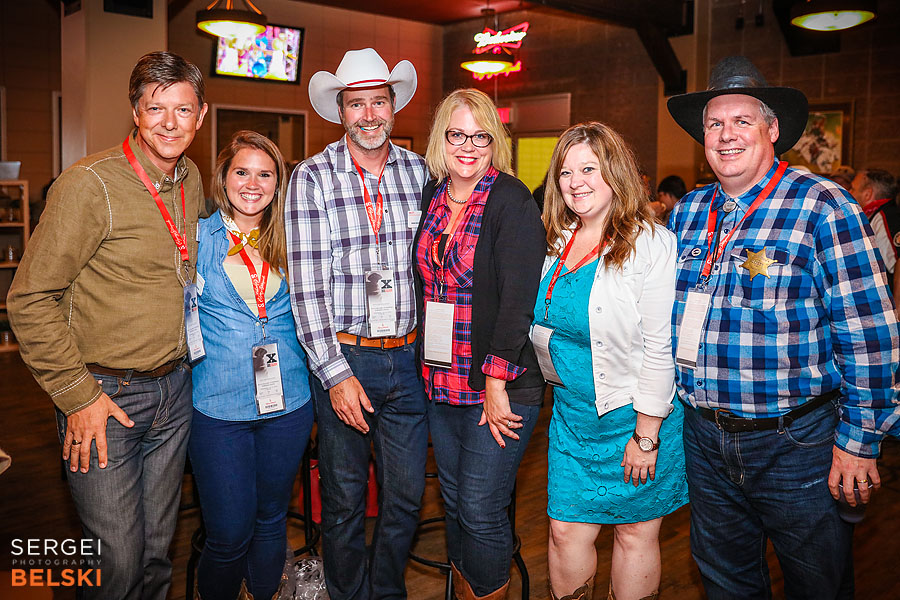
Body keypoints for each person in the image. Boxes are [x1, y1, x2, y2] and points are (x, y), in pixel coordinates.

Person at [666, 55, 900, 599]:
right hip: (702, 438)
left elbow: (868, 330)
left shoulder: (822, 206)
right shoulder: (688, 213)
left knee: (818, 585)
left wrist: (860, 442)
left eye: (742, 121)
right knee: (725, 583)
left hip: (797, 443)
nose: (726, 136)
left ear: (772, 130)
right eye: (715, 124)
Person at [7, 51, 208, 599]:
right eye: (155, 108)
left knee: (154, 553)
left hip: (174, 390)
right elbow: (29, 299)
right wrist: (78, 396)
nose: (170, 123)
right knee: (114, 565)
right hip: (106, 399)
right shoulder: (88, 185)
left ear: (201, 115)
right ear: (135, 112)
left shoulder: (189, 178)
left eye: (182, 109)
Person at [286, 48, 428, 599]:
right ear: (340, 110)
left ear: (394, 107)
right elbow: (306, 288)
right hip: (346, 358)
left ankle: (385, 591)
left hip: (411, 360)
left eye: (378, 102)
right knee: (344, 501)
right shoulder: (312, 178)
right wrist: (335, 373)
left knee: (406, 497)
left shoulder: (421, 173)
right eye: (356, 104)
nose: (368, 114)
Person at [532, 122, 688, 600]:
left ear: (614, 174)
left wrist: (646, 435)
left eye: (588, 169)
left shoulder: (650, 243)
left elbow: (661, 346)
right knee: (564, 532)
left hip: (633, 419)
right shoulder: (556, 238)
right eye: (565, 171)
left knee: (634, 534)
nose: (575, 181)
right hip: (572, 418)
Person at [413, 87, 546, 600]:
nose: (468, 146)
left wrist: (494, 383)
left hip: (500, 386)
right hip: (440, 381)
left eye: (480, 136)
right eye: (457, 134)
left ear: (495, 142)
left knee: (479, 505)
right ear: (441, 139)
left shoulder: (509, 199)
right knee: (453, 501)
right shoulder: (432, 195)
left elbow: (518, 300)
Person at [189, 130, 314, 600]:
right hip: (218, 408)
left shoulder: (293, 237)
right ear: (224, 177)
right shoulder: (198, 239)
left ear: (278, 183)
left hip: (289, 404)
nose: (253, 183)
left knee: (270, 520)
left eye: (265, 174)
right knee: (228, 535)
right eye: (242, 171)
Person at [849, 168, 900, 280]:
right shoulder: (877, 215)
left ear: (868, 194)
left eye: (852, 189)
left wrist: (896, 298)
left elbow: (897, 264)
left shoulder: (884, 220)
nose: (849, 192)